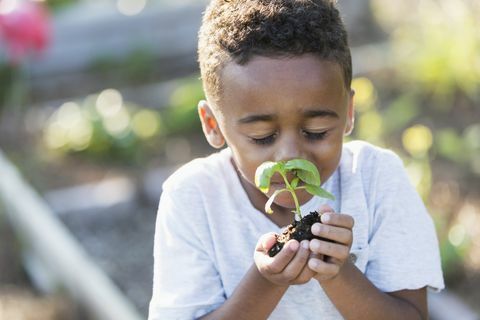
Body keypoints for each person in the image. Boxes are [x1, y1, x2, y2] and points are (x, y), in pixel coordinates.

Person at [148, 0, 444, 319]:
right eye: (262, 136)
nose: (289, 157)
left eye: (316, 131)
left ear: (347, 112)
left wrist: (338, 273)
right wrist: (266, 282)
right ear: (212, 125)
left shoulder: (376, 179)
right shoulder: (193, 198)